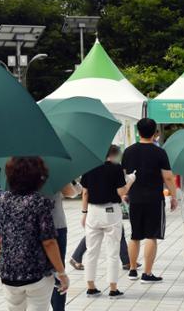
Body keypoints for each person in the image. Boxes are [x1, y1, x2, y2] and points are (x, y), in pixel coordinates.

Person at [0, 157, 69, 311]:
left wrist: (3, 259)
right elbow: (49, 241)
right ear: (38, 178)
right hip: (37, 274)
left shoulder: (2, 201)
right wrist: (61, 272)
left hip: (9, 275)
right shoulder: (40, 203)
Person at [121, 118, 177, 283]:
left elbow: (124, 174)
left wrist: (125, 192)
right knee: (151, 236)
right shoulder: (159, 152)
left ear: (138, 132)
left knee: (135, 235)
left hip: (135, 198)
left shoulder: (129, 151)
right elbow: (167, 176)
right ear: (155, 133)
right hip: (154, 199)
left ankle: (132, 270)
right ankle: (147, 273)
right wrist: (174, 196)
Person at [79, 145, 136, 298]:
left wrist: (84, 213)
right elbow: (121, 192)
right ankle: (113, 288)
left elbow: (85, 193)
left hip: (92, 212)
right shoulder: (116, 168)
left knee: (91, 251)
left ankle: (90, 287)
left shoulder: (89, 167)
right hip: (111, 211)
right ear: (113, 155)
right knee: (112, 252)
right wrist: (130, 180)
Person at [47, 183, 80, 311]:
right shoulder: (52, 168)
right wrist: (75, 185)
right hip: (55, 224)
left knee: (34, 273)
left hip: (28, 225)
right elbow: (70, 192)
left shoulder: (17, 169)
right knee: (57, 272)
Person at [69, 227, 134, 270]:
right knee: (93, 234)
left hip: (110, 210)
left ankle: (126, 261)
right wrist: (84, 213)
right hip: (99, 210)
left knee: (119, 232)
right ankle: (126, 261)